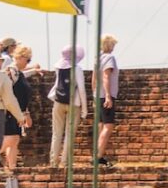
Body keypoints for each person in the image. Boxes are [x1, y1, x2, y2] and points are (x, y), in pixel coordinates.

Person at [49, 45, 88, 168]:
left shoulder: (59, 67)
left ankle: (53, 161)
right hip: (73, 103)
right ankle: (64, 162)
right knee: (69, 134)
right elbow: (81, 90)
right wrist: (85, 109)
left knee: (56, 133)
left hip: (58, 101)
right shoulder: (77, 69)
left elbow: (57, 85)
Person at [0, 46, 36, 169]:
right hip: (9, 112)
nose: (28, 63)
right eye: (28, 60)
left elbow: (22, 97)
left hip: (16, 113)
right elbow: (5, 92)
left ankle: (12, 167)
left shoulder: (19, 73)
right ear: (20, 57)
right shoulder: (11, 71)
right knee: (13, 138)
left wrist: (26, 113)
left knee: (14, 142)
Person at [94, 35, 120, 166]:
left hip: (98, 95)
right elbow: (106, 77)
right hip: (105, 95)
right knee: (108, 126)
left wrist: (94, 95)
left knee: (100, 125)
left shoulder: (98, 59)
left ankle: (98, 155)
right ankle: (97, 156)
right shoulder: (109, 58)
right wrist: (108, 96)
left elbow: (93, 79)